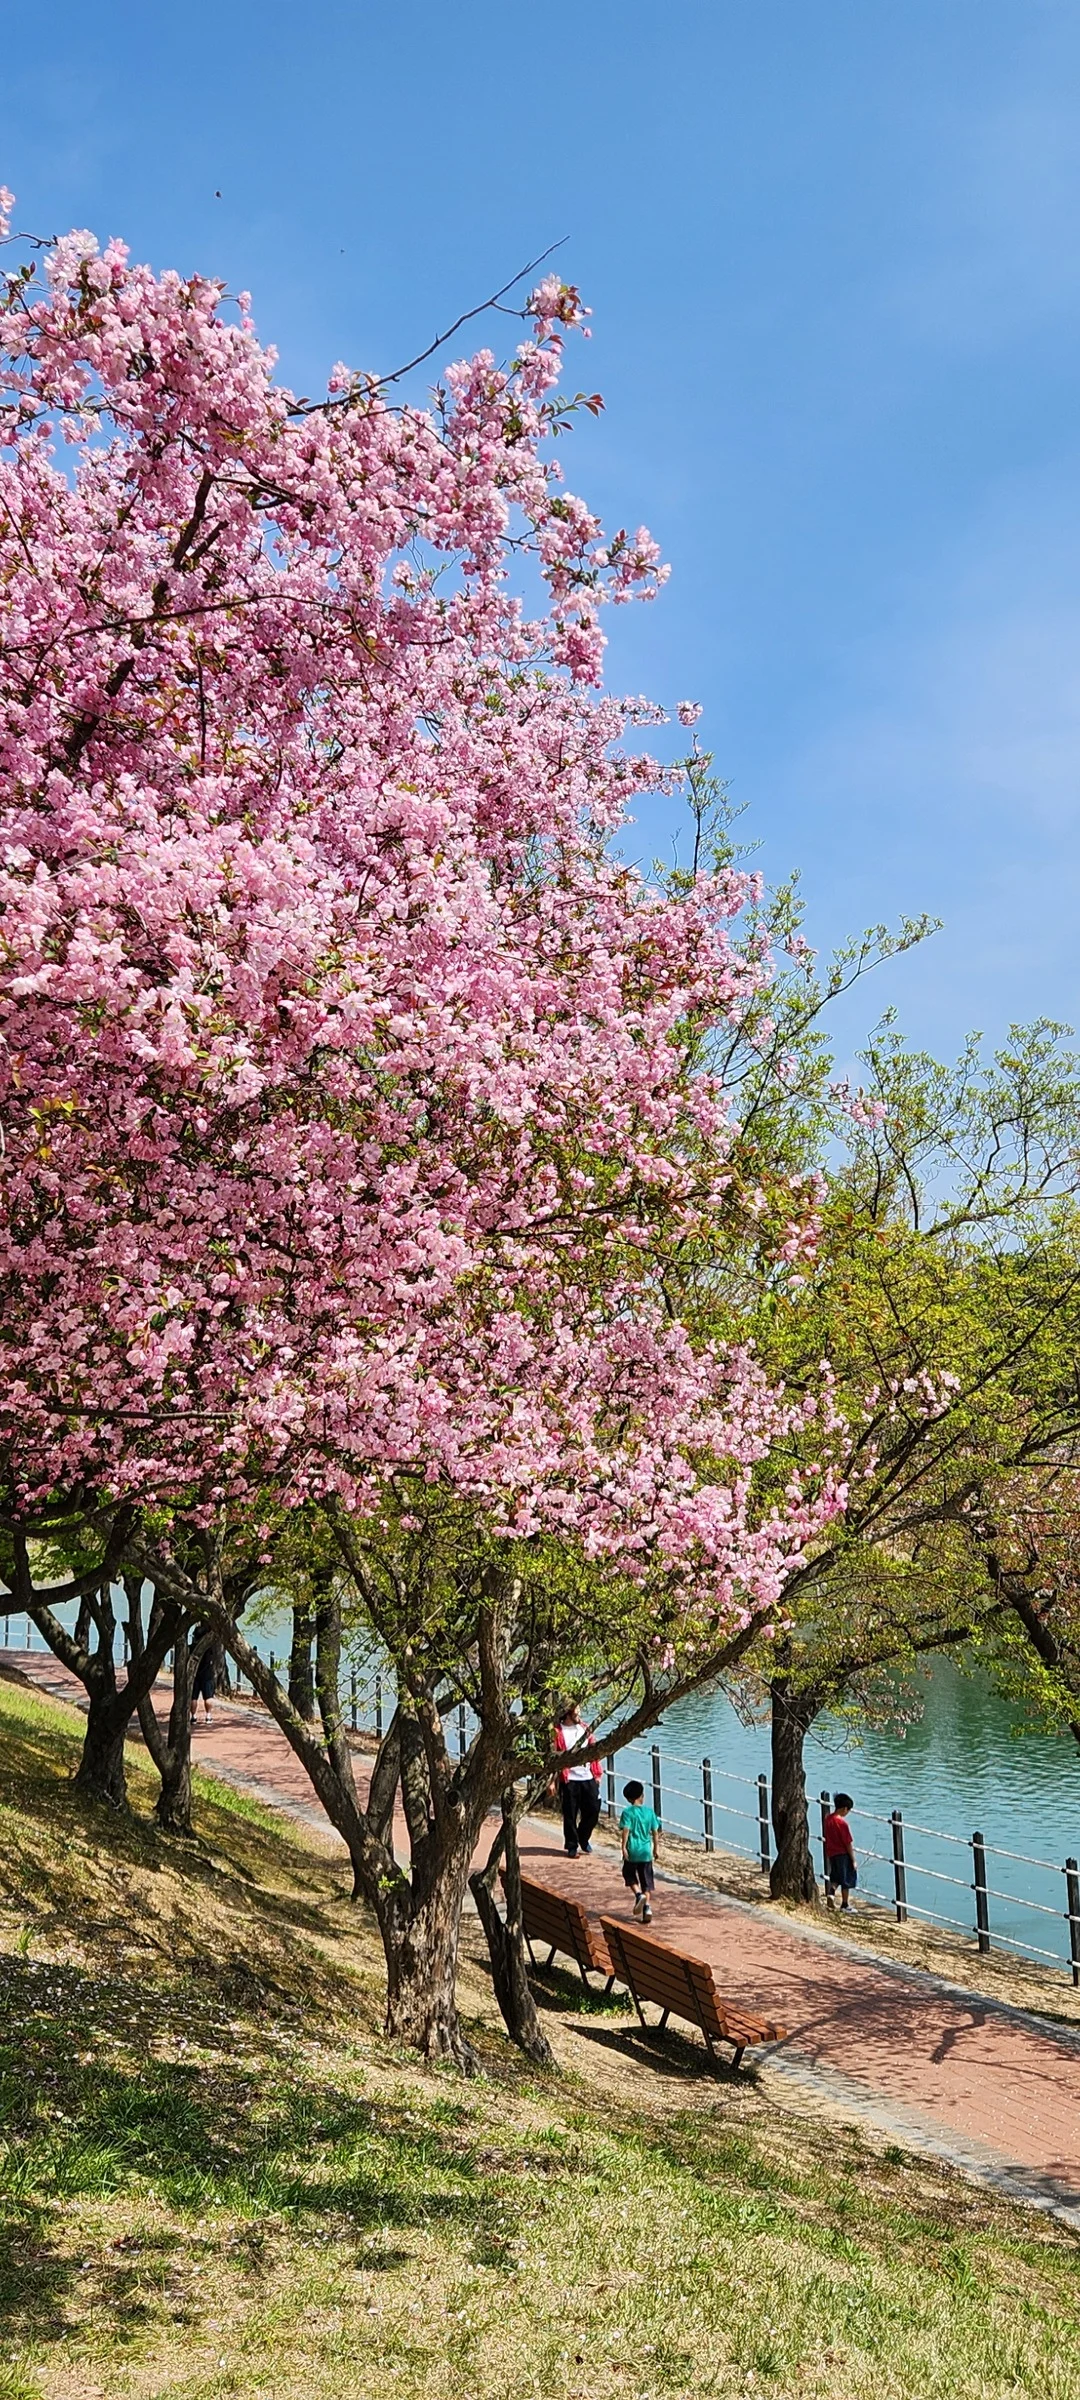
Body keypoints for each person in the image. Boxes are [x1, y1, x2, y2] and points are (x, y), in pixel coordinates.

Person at [554, 1700, 602, 1857]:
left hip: (588, 1777)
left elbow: (593, 1752)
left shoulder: (585, 1728)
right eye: (576, 1713)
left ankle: (583, 1837)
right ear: (567, 1714)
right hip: (570, 1780)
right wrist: (551, 1781)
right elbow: (554, 1758)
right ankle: (572, 1844)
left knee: (593, 1809)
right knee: (570, 1814)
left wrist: (597, 1773)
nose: (579, 1716)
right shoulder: (558, 1732)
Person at [618, 1780, 660, 1922]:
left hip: (632, 1851)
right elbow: (655, 1831)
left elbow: (626, 1830)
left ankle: (638, 1895)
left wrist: (623, 1847)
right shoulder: (649, 1812)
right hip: (646, 1852)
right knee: (646, 1881)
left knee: (628, 1874)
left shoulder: (627, 1813)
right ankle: (647, 1907)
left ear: (629, 1799)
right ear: (642, 1795)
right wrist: (656, 1848)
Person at [823, 1792, 857, 1910]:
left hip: (832, 1853)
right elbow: (847, 1842)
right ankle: (845, 1904)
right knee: (846, 1879)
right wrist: (853, 1859)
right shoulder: (842, 1823)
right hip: (842, 1854)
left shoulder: (828, 1819)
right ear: (844, 1809)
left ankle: (831, 1893)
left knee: (836, 1876)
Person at [189, 1629, 216, 1728]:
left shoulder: (191, 1648)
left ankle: (193, 1716)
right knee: (208, 1697)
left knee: (193, 1697)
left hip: (194, 1675)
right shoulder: (208, 1649)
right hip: (207, 1676)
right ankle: (208, 1715)